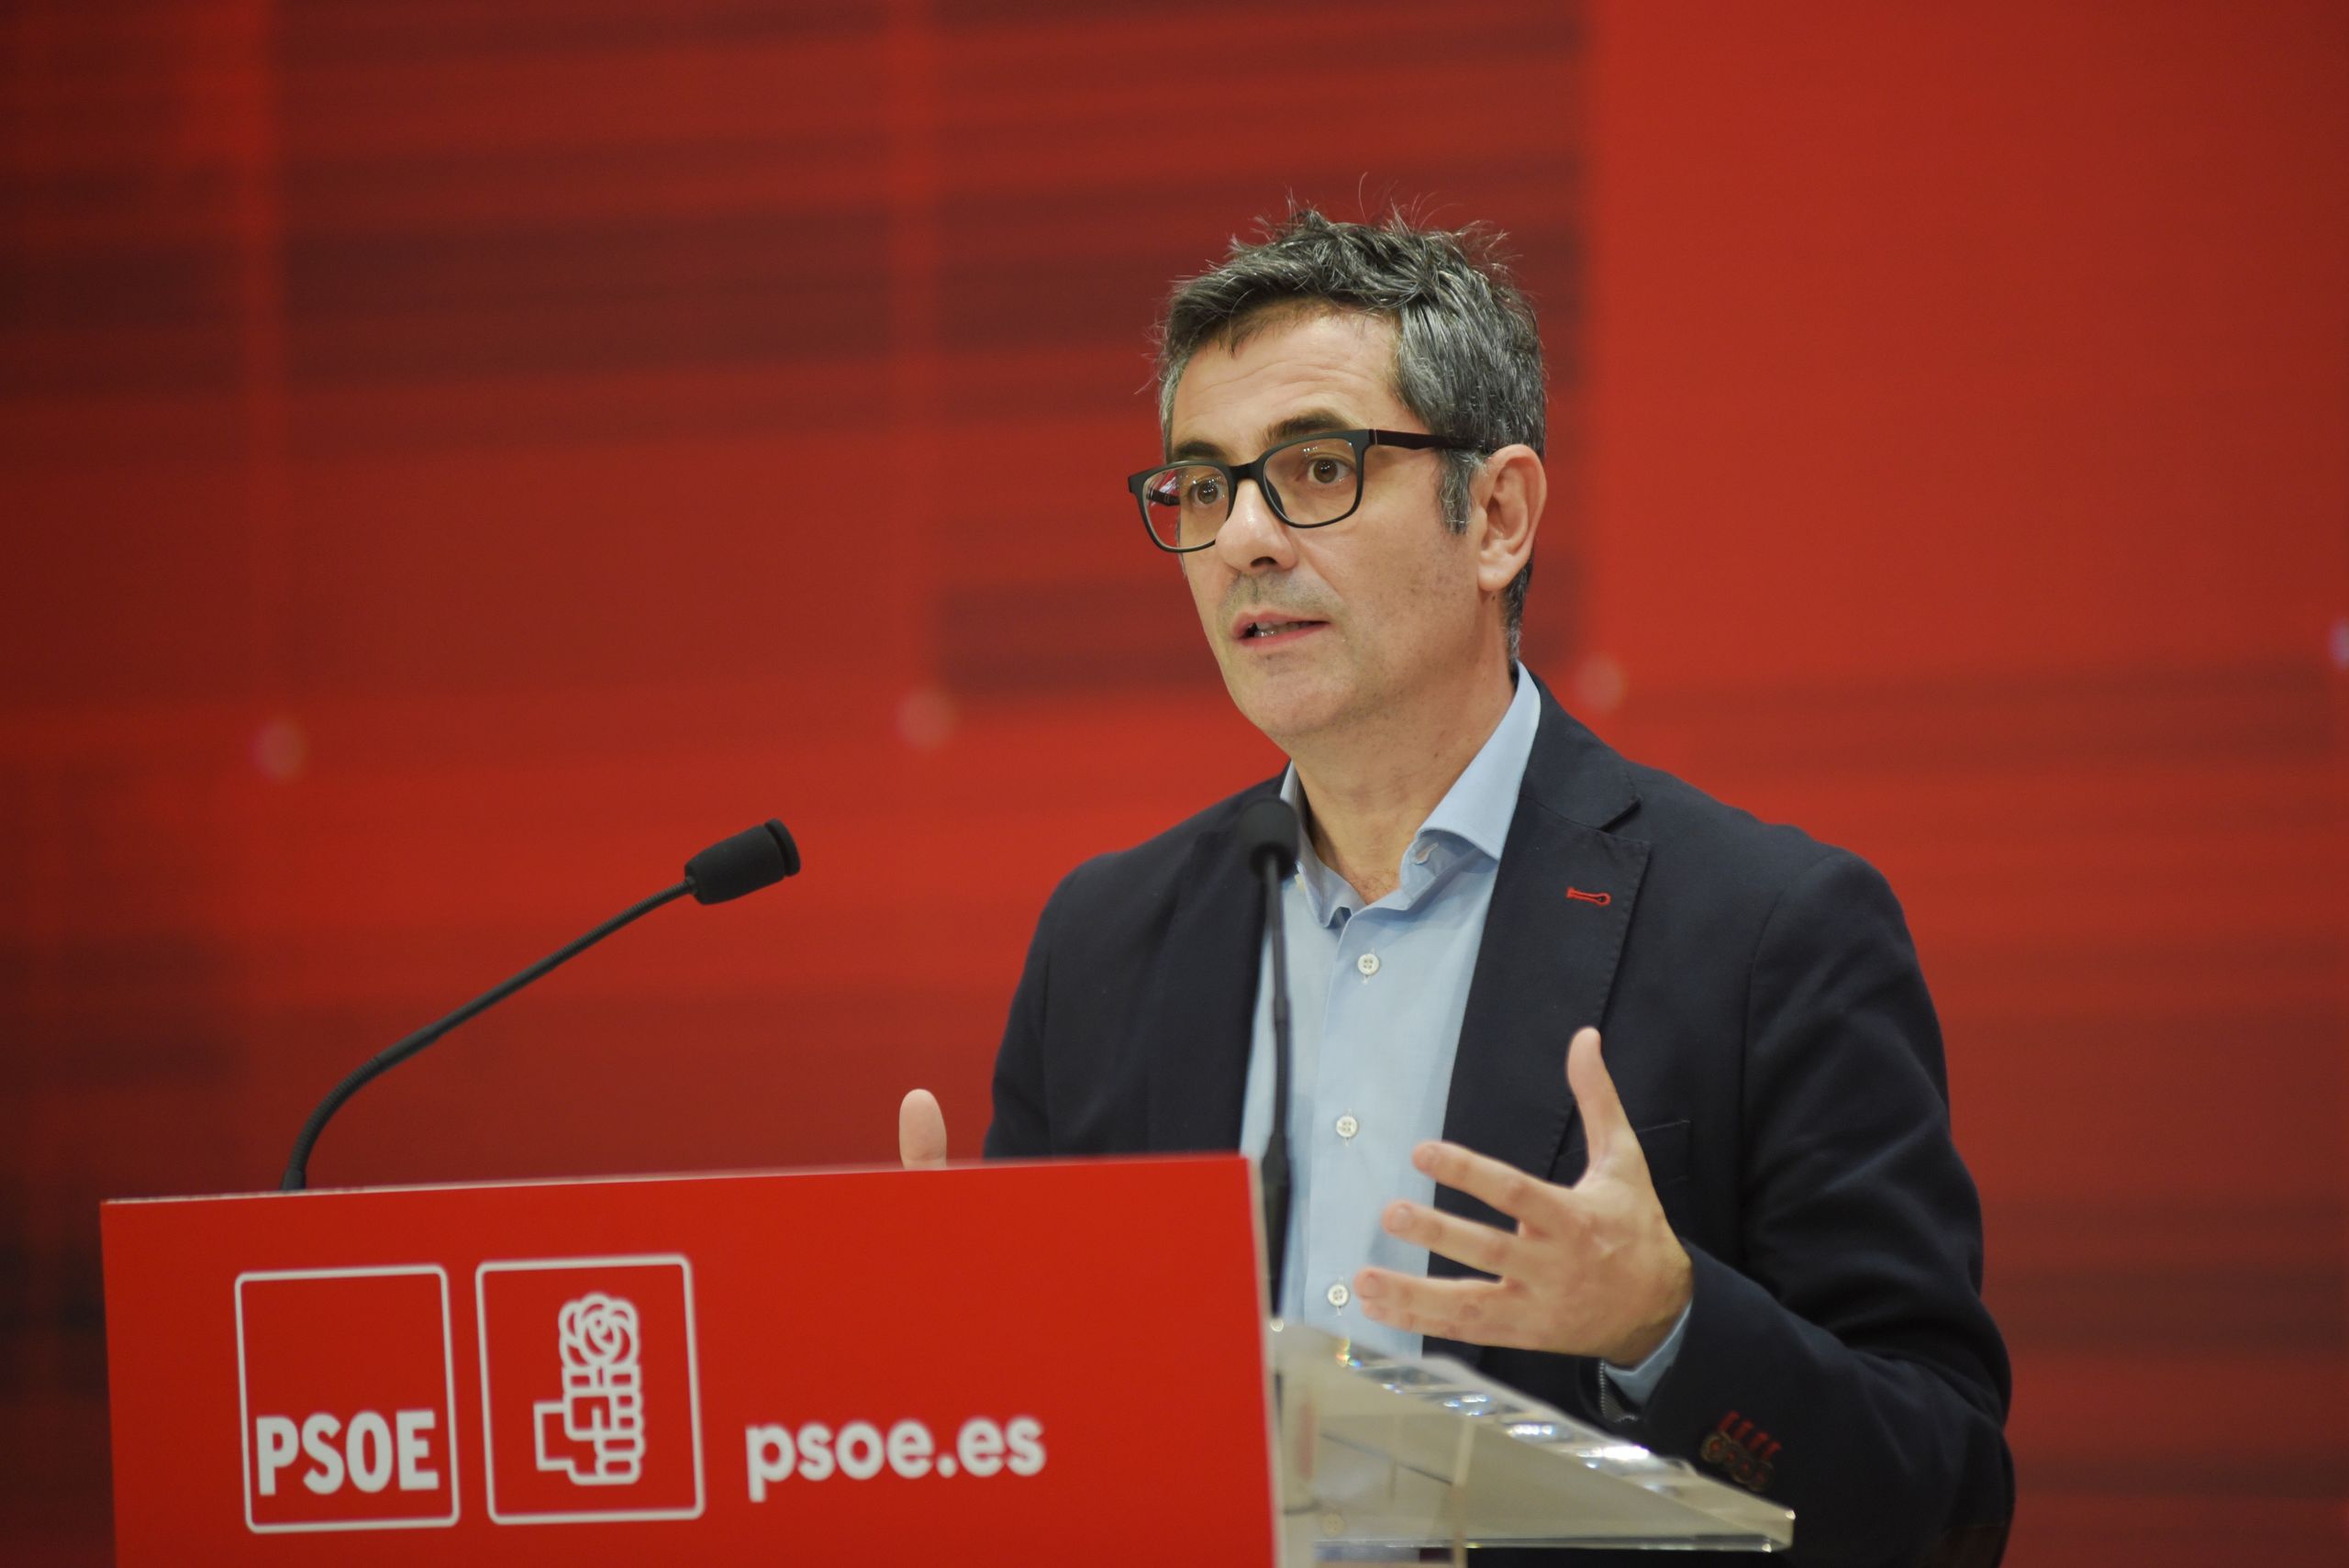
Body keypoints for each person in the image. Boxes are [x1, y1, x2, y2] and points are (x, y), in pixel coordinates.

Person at [899, 206, 2013, 1567]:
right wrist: (962, 1371)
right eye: (1200, 486)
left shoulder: (1770, 930)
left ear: (1497, 516)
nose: (1243, 537)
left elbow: (1947, 1495)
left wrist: (1668, 1326)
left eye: (1316, 468)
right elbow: (1054, 1456)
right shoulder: (1108, 943)